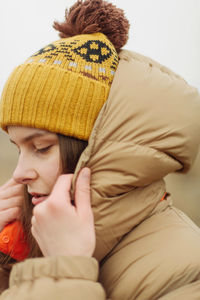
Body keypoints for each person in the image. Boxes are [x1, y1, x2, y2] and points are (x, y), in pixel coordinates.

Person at [0, 0, 200, 299]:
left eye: (40, 147)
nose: (19, 173)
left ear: (99, 148)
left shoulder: (188, 273)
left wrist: (62, 271)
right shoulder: (27, 244)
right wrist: (6, 260)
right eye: (19, 149)